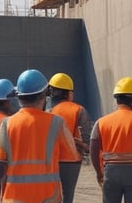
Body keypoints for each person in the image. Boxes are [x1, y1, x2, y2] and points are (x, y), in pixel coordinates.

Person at [0, 69, 80, 202]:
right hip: (49, 198)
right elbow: (70, 161)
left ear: (19, 97)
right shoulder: (57, 123)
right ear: (44, 95)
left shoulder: (6, 124)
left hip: (14, 198)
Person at [90, 77, 132, 203]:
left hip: (111, 172)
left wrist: (99, 172)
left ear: (117, 99)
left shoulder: (101, 122)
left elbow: (93, 148)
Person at [47, 72, 92, 203]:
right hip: (71, 161)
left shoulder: (47, 112)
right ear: (69, 93)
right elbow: (86, 141)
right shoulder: (79, 110)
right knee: (67, 196)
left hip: (50, 160)